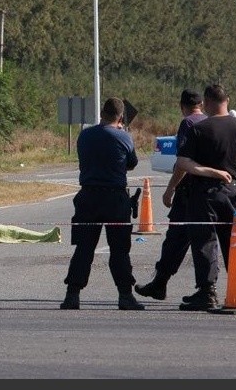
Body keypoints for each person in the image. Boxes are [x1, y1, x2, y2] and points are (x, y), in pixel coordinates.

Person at [175, 84, 236, 311]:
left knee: (205, 241)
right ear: (227, 100)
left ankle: (207, 292)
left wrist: (210, 171)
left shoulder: (200, 129)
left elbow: (183, 162)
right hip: (232, 192)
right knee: (234, 240)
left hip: (204, 193)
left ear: (206, 102)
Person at [60, 97, 144, 310]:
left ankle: (72, 295)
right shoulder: (124, 137)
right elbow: (132, 164)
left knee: (84, 248)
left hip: (88, 197)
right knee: (119, 250)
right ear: (120, 116)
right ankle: (125, 295)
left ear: (101, 114)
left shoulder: (85, 135)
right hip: (115, 199)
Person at [134, 89, 207, 300]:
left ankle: (160, 283)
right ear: (202, 104)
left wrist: (170, 189)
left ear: (182, 106)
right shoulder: (210, 122)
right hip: (209, 190)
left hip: (188, 191)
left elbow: (183, 162)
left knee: (176, 238)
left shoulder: (188, 124)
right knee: (209, 240)